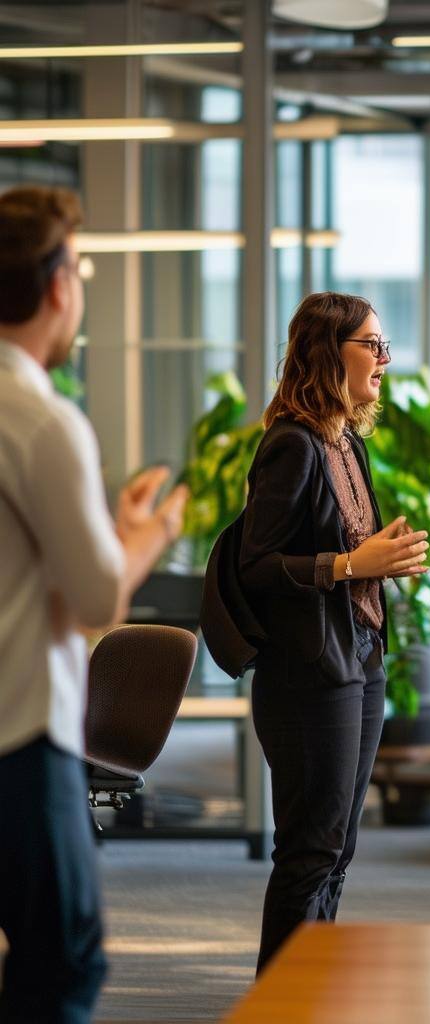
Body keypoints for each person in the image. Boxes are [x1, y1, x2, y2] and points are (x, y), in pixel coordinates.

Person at [0, 184, 188, 1023]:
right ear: (55, 287)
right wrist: (145, 534)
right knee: (66, 960)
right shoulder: (40, 420)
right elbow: (94, 594)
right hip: (20, 735)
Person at [238, 291, 430, 973]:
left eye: (384, 345)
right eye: (371, 345)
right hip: (307, 676)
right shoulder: (291, 443)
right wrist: (352, 563)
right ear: (328, 353)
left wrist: (378, 560)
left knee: (338, 848)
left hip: (358, 659)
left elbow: (345, 548)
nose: (384, 358)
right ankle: (278, 1004)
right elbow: (255, 566)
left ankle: (307, 994)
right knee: (310, 851)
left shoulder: (345, 439)